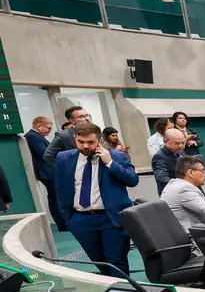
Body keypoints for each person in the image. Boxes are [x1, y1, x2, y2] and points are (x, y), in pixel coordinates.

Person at [55, 122, 138, 278]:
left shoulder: (117, 156)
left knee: (116, 260)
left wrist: (110, 163)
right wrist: (67, 216)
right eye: (81, 142)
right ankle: (112, 290)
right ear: (75, 138)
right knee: (98, 261)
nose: (85, 146)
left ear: (99, 140)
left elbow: (132, 180)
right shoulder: (64, 158)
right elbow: (60, 186)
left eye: (91, 142)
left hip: (111, 218)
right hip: (80, 219)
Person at [24, 116, 66, 231]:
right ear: (39, 126)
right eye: (48, 128)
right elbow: (45, 153)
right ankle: (61, 224)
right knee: (54, 198)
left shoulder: (36, 136)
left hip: (49, 171)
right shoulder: (32, 136)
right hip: (47, 172)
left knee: (55, 197)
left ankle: (62, 223)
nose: (49, 131)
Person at [160, 155, 205, 230]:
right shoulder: (185, 189)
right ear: (191, 172)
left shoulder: (176, 184)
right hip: (193, 235)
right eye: (202, 170)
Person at [43, 106, 90, 171]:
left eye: (87, 115)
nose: (87, 118)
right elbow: (48, 156)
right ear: (72, 121)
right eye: (82, 117)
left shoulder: (95, 132)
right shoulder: (64, 135)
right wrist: (67, 167)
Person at [151, 127, 187, 197]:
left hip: (187, 193)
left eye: (183, 143)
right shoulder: (159, 157)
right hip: (173, 196)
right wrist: (183, 186)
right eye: (177, 143)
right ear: (165, 142)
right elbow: (162, 178)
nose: (180, 146)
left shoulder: (181, 152)